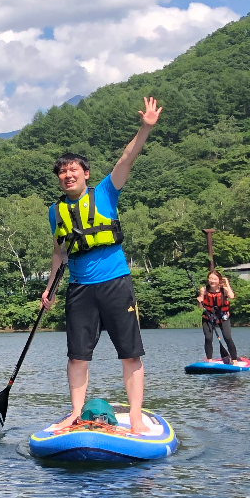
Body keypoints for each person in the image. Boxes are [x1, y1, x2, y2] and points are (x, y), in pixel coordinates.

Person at [41, 95, 162, 434]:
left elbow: (127, 157)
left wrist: (145, 127)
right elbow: (58, 253)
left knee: (130, 353)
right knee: (77, 356)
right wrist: (49, 289)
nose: (67, 175)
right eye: (62, 172)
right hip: (79, 289)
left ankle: (135, 416)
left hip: (115, 283)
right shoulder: (55, 211)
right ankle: (76, 412)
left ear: (85, 174)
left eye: (73, 170)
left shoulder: (107, 191)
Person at [197, 270, 238, 363]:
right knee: (208, 338)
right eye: (210, 278)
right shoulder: (203, 289)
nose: (212, 281)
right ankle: (209, 360)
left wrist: (227, 282)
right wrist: (200, 301)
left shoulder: (224, 289)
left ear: (219, 280)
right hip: (208, 317)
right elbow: (200, 307)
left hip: (223, 317)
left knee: (227, 337)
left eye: (215, 279)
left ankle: (235, 360)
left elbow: (231, 296)